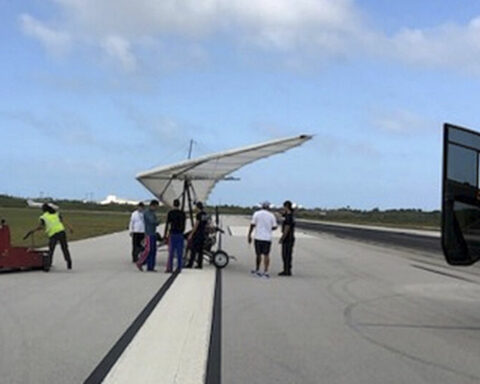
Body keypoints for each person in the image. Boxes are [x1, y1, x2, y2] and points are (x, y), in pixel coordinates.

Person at [28, 203, 73, 269]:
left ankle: (48, 265)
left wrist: (33, 230)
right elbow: (63, 221)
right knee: (64, 248)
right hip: (61, 232)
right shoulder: (56, 214)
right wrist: (70, 228)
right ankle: (69, 262)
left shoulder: (43, 217)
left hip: (53, 234)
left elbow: (41, 227)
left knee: (51, 250)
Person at [248, 201, 277, 278]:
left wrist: (249, 235)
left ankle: (257, 269)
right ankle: (266, 271)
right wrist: (268, 228)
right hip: (267, 238)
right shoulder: (271, 215)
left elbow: (252, 225)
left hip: (258, 237)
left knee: (258, 254)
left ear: (262, 206)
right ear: (268, 207)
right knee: (266, 255)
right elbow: (274, 227)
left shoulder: (257, 214)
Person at [136, 200, 160, 272]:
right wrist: (157, 221)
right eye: (156, 207)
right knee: (148, 250)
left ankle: (151, 266)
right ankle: (140, 262)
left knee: (153, 251)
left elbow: (155, 222)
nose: (156, 208)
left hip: (153, 233)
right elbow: (152, 221)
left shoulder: (153, 213)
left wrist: (157, 221)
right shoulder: (147, 213)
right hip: (149, 234)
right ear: (153, 205)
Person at [164, 199, 186, 273]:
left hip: (172, 234)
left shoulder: (170, 213)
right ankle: (179, 268)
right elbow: (184, 224)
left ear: (173, 204)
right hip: (180, 234)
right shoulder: (182, 213)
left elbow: (167, 224)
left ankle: (169, 268)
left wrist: (165, 234)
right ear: (179, 205)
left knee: (171, 252)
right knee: (180, 252)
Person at [187, 201, 209, 269]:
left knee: (193, 249)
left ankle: (190, 264)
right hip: (203, 233)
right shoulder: (205, 214)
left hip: (198, 233)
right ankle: (200, 264)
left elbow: (196, 225)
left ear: (197, 207)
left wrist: (191, 233)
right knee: (200, 251)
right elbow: (207, 223)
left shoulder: (198, 215)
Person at [279, 200, 295, 276]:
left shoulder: (289, 216)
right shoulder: (289, 215)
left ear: (286, 206)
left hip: (288, 237)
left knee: (286, 254)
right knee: (286, 254)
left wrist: (282, 237)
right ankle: (286, 269)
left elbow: (287, 228)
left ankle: (287, 270)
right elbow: (282, 217)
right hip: (290, 237)